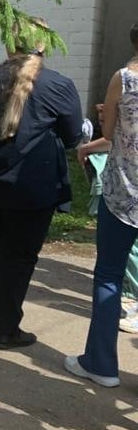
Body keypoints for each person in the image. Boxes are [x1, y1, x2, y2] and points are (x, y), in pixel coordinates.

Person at [0, 19, 83, 349]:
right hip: (33, 186)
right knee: (19, 256)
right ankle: (7, 330)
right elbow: (72, 137)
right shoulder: (59, 85)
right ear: (44, 45)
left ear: (8, 44)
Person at [67, 22, 138, 385]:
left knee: (109, 274)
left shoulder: (124, 79)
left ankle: (100, 363)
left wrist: (107, 114)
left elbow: (108, 134)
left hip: (122, 192)